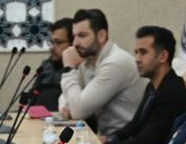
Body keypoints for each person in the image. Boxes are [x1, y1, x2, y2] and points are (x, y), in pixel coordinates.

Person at [101, 27, 186, 144]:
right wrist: (110, 138)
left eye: (143, 52)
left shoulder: (173, 92)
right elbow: (134, 125)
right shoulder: (152, 86)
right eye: (136, 52)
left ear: (163, 56)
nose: (136, 59)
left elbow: (146, 143)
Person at [58, 8, 145, 136]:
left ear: (101, 36)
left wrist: (68, 69)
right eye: (74, 36)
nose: (75, 43)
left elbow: (78, 111)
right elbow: (67, 96)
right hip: (108, 137)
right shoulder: (88, 61)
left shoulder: (115, 63)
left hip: (128, 140)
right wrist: (65, 106)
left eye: (82, 35)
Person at [28, 17, 73, 109]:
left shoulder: (79, 69)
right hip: (38, 116)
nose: (52, 48)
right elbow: (32, 96)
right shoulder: (46, 65)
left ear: (73, 43)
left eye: (58, 42)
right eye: (51, 42)